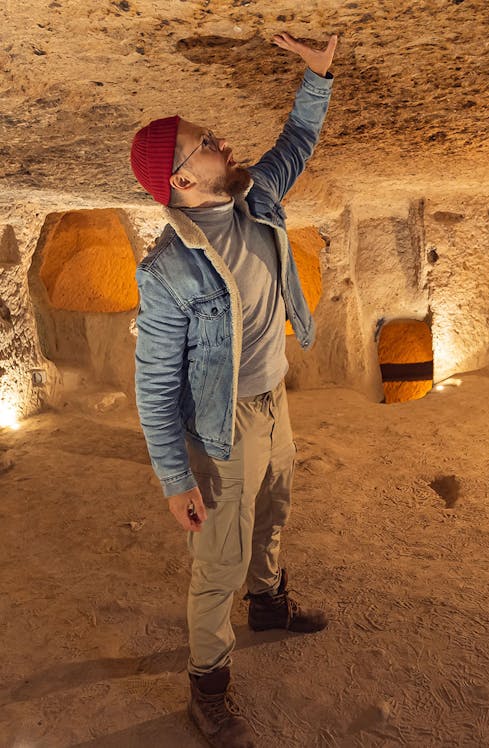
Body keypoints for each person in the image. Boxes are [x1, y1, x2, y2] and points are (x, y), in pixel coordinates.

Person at [129, 31, 337, 748]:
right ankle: (207, 687)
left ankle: (271, 604)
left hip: (272, 395)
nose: (223, 142)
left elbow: (298, 141)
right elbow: (154, 383)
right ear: (183, 180)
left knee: (276, 503)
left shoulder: (256, 198)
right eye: (207, 141)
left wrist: (318, 75)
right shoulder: (166, 272)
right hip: (219, 425)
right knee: (219, 558)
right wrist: (173, 476)